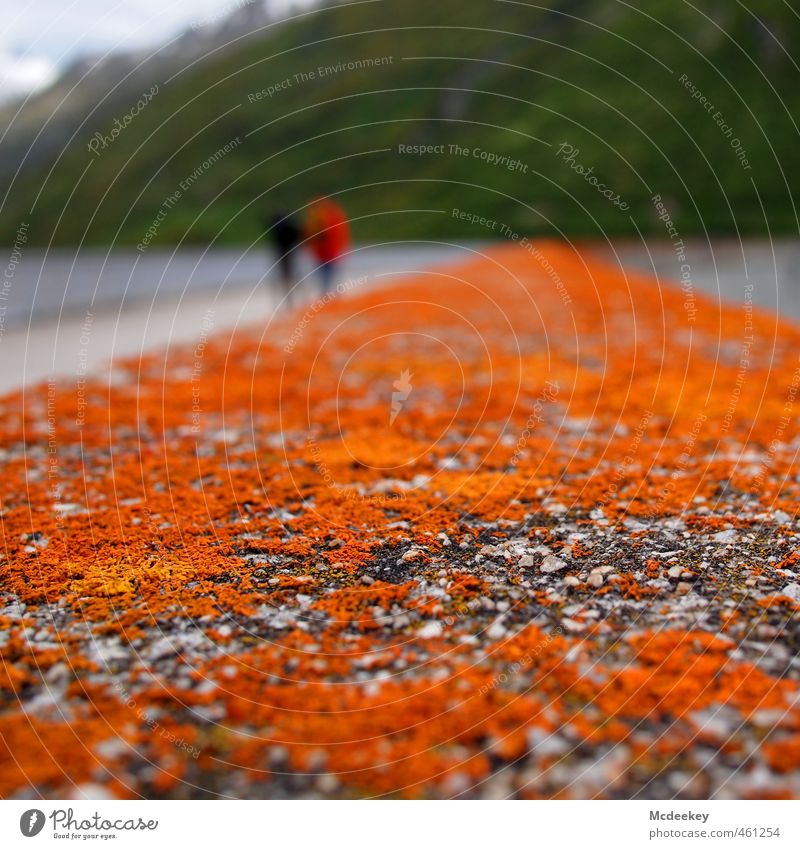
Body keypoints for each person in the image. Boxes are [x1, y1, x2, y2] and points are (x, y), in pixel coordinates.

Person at [304, 196, 350, 294]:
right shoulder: (331, 215)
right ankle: (328, 295)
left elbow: (327, 234)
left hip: (329, 252)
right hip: (325, 253)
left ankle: (328, 296)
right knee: (327, 278)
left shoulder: (326, 217)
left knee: (327, 278)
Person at [264, 210, 300, 304]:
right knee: (291, 275)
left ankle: (284, 298)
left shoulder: (277, 227)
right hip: (289, 253)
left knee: (284, 276)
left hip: (281, 253)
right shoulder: (289, 225)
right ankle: (292, 298)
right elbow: (297, 236)